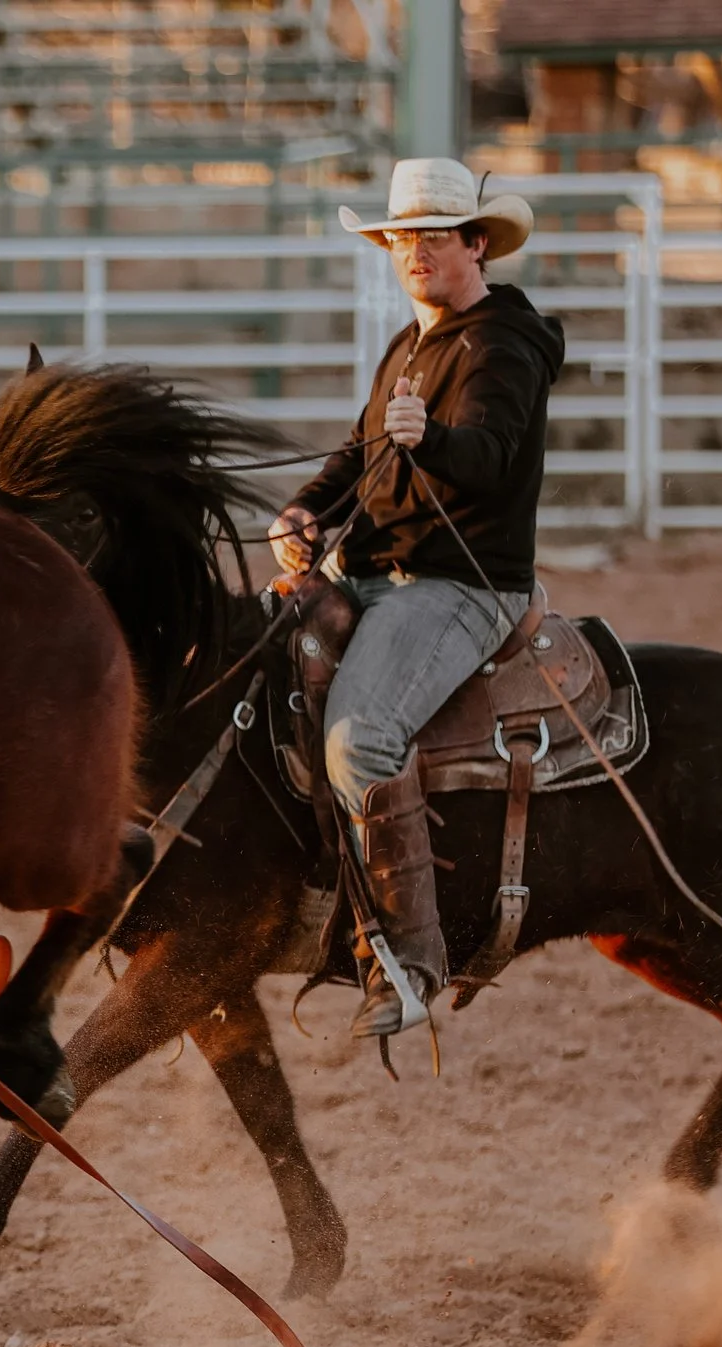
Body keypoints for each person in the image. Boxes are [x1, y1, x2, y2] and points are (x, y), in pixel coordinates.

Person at [267, 158, 565, 1038]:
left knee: (361, 738)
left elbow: (489, 458)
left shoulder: (505, 344)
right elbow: (360, 452)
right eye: (402, 237)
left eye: (434, 236)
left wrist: (428, 437)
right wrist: (304, 510)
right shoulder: (410, 343)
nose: (415, 251)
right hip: (375, 572)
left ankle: (407, 958)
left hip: (460, 585)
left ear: (477, 244)